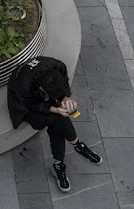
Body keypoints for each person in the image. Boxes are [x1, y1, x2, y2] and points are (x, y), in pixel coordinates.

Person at [7, 56, 102, 193]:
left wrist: (65, 98)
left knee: (57, 123)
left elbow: (64, 84)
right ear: (41, 88)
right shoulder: (23, 84)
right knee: (58, 119)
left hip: (39, 97)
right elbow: (32, 105)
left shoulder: (58, 66)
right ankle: (78, 146)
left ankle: (59, 165)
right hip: (24, 106)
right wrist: (55, 109)